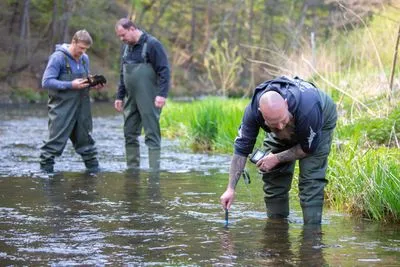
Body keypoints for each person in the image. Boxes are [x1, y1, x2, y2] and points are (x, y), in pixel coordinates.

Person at [220, 76, 337, 224]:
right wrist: (230, 188)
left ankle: (312, 235)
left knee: (310, 180)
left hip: (319, 116)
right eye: (274, 124)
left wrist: (276, 158)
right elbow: (241, 151)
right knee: (273, 174)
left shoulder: (309, 108)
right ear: (261, 113)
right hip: (291, 116)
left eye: (283, 121)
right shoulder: (252, 113)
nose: (281, 127)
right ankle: (276, 229)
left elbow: (308, 149)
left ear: (286, 104)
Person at [40, 29, 103, 173]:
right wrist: (70, 85)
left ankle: (94, 174)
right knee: (52, 146)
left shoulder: (84, 59)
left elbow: (83, 81)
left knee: (87, 144)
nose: (83, 52)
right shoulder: (58, 58)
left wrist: (94, 85)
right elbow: (46, 81)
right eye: (81, 48)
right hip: (61, 109)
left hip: (82, 108)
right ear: (73, 42)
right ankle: (45, 176)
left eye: (86, 49)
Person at [114, 18, 170, 170]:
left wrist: (162, 94)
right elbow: (122, 73)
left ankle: (154, 172)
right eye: (119, 36)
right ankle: (132, 170)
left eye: (123, 35)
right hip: (130, 99)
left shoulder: (152, 44)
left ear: (132, 29)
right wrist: (119, 96)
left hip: (149, 98)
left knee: (152, 134)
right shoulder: (126, 48)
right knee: (129, 133)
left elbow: (164, 70)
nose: (122, 39)